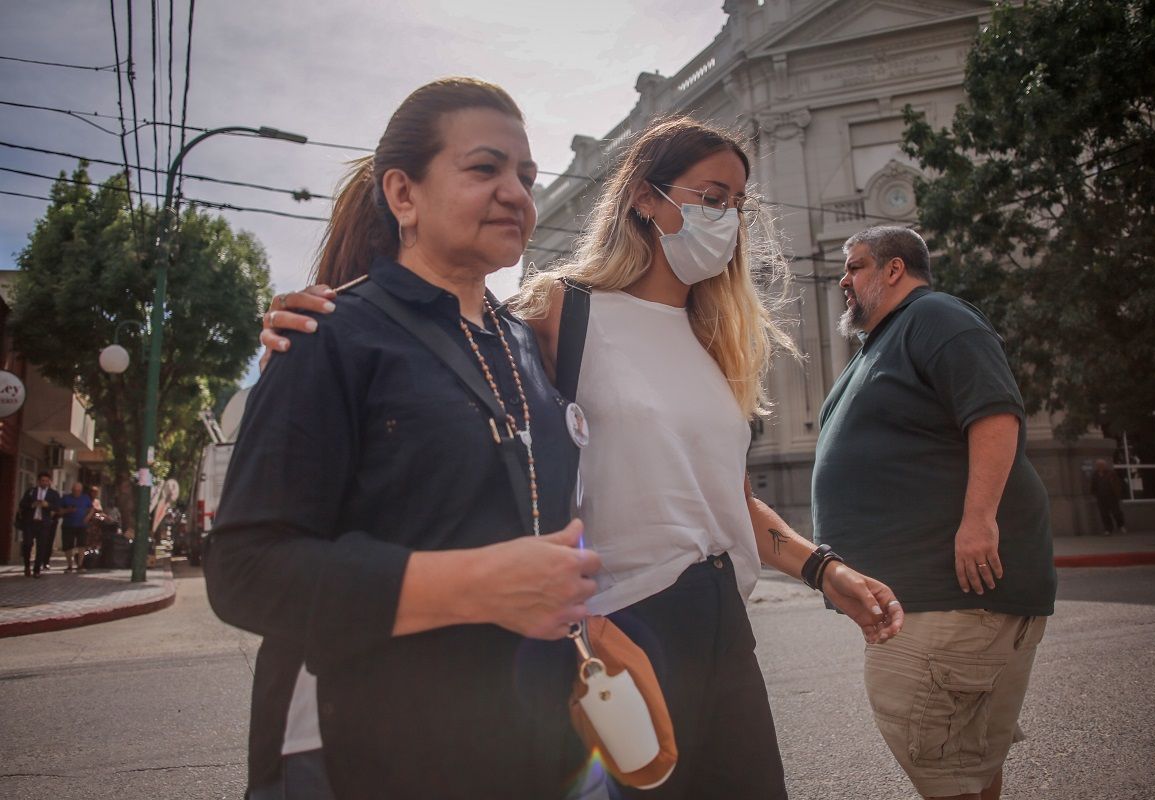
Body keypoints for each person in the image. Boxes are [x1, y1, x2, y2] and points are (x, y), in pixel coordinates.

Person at [264, 114, 905, 799]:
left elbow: (727, 497)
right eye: (711, 198)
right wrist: (328, 312)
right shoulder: (558, 313)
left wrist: (821, 568)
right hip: (625, 627)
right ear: (644, 198)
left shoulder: (713, 336)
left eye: (738, 206)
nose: (729, 219)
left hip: (727, 629)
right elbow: (440, 370)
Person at [205, 78, 602, 800]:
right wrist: (474, 586)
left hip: (533, 746)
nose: (516, 192)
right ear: (404, 195)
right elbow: (244, 571)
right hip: (367, 754)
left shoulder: (526, 346)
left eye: (526, 175)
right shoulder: (330, 335)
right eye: (485, 169)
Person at [812, 225, 1056, 800]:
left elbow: (994, 414)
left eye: (856, 266)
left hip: (949, 597)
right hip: (929, 600)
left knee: (948, 772)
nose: (844, 280)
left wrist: (978, 521)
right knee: (967, 763)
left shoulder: (937, 316)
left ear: (894, 269)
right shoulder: (884, 340)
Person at [18, 472, 60, 577]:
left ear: (50, 482)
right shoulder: (31, 491)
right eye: (42, 481)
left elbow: (57, 508)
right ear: (38, 481)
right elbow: (22, 504)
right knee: (27, 544)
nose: (44, 483)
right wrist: (32, 505)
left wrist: (48, 505)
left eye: (47, 481)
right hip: (30, 523)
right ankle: (27, 566)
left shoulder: (53, 494)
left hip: (44, 524)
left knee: (41, 547)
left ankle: (37, 570)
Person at [58, 482, 92, 572]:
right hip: (68, 525)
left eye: (79, 491)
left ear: (81, 491)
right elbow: (59, 511)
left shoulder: (85, 498)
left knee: (82, 545)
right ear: (72, 490)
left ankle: (80, 565)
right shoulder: (66, 498)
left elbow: (91, 508)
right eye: (75, 490)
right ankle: (69, 565)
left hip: (82, 525)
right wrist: (68, 510)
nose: (77, 492)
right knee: (68, 546)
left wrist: (88, 517)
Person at [1090, 458, 1127, 536]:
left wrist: (1118, 494)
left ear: (1105, 465)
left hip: (1112, 497)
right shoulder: (1095, 475)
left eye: (1102, 465)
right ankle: (1108, 529)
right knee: (1104, 514)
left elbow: (1117, 484)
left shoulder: (1111, 473)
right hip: (1101, 498)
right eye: (1098, 465)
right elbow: (1093, 485)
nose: (1100, 466)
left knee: (1116, 512)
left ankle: (1121, 525)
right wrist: (1094, 494)